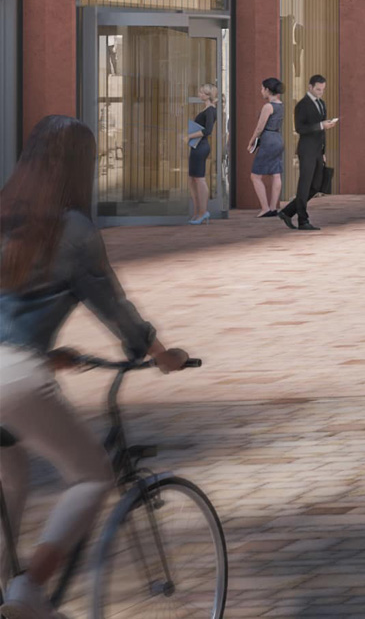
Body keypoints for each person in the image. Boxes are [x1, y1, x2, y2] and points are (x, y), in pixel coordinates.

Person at [0, 118, 192, 618]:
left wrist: (48, 352)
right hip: (16, 377)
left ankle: (7, 593)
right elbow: (114, 307)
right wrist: (160, 354)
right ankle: (29, 591)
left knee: (10, 476)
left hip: (13, 365)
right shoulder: (73, 230)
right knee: (91, 476)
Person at [277, 74, 337, 229]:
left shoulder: (322, 104)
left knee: (316, 186)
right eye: (318, 89)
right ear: (310, 87)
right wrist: (321, 125)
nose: (320, 92)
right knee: (304, 185)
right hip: (306, 150)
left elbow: (322, 132)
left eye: (323, 89)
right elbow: (300, 128)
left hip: (318, 151)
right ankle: (303, 220)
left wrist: (323, 151)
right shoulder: (302, 105)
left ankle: (288, 212)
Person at [247, 76, 286, 217]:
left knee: (255, 176)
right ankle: (273, 207)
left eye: (262, 88)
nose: (261, 91)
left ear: (268, 90)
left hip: (268, 139)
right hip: (278, 139)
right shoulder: (280, 105)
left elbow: (259, 128)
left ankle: (265, 208)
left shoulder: (268, 107)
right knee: (276, 174)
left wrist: (251, 141)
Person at [184, 83, 220, 225]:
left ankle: (203, 212)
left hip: (201, 146)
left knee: (199, 179)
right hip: (197, 146)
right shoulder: (206, 109)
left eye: (201, 92)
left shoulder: (210, 110)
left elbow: (208, 131)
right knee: (192, 179)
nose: (199, 94)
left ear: (207, 95)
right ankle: (197, 212)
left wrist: (190, 136)